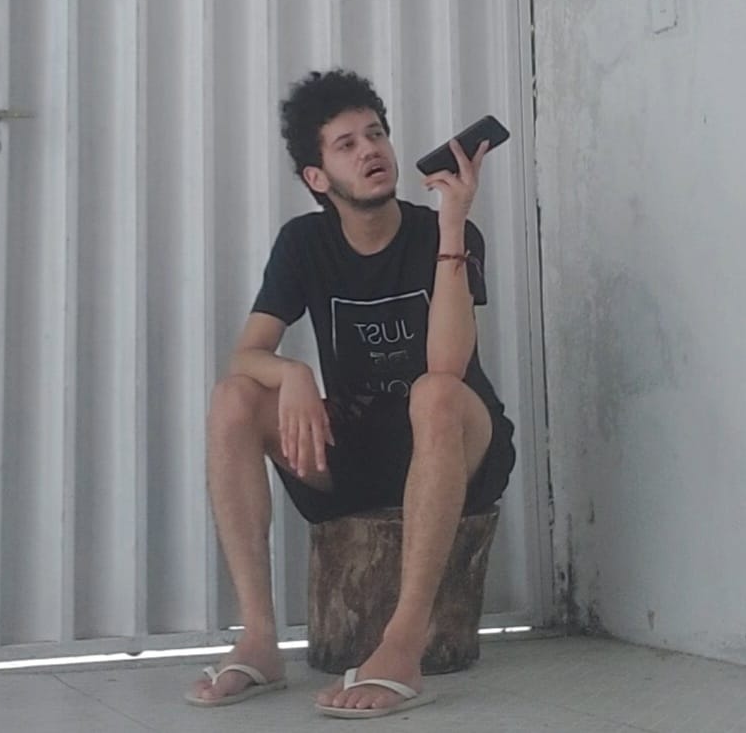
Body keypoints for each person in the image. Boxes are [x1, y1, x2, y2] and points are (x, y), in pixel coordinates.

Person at [185, 69, 515, 718]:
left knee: (434, 392)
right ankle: (259, 640)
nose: (370, 150)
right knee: (233, 398)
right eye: (347, 144)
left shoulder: (443, 231)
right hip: (359, 450)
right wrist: (293, 374)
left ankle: (402, 645)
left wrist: (453, 225)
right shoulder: (303, 244)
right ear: (317, 177)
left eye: (376, 134)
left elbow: (448, 364)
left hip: (455, 444)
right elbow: (246, 354)